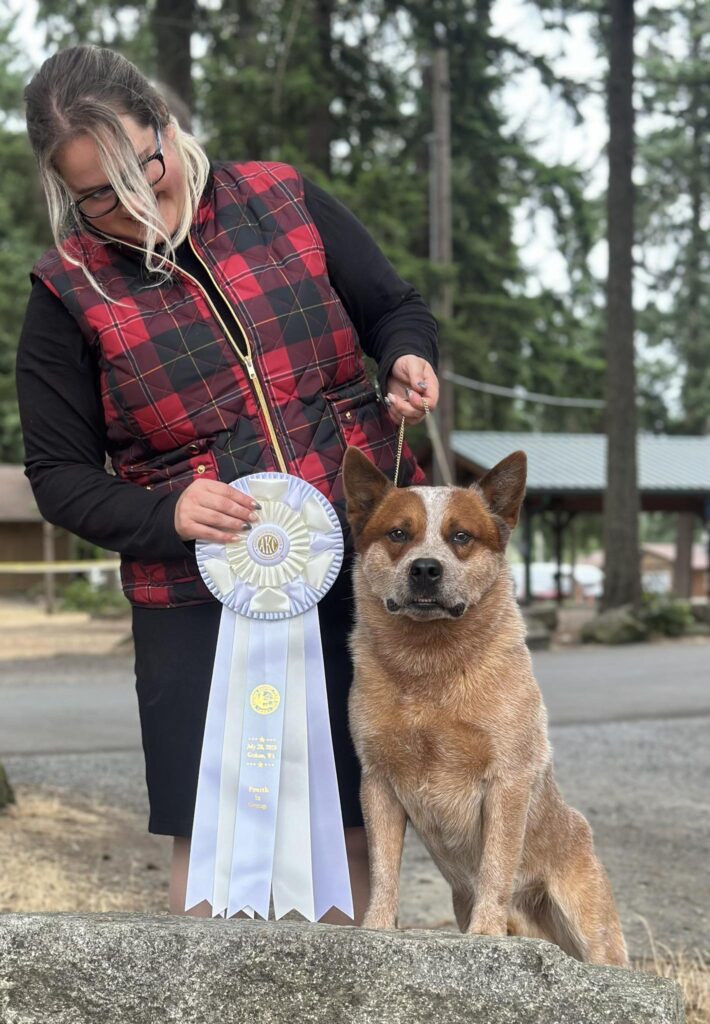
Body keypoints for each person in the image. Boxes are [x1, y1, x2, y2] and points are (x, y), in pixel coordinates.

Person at [16, 44, 439, 924]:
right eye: (99, 196)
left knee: (358, 820)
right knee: (211, 842)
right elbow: (58, 477)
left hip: (359, 562)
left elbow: (394, 308)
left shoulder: (283, 198)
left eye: (143, 169)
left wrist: (406, 357)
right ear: (63, 190)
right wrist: (164, 513)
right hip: (191, 596)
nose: (135, 204)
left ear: (164, 126)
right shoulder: (65, 293)